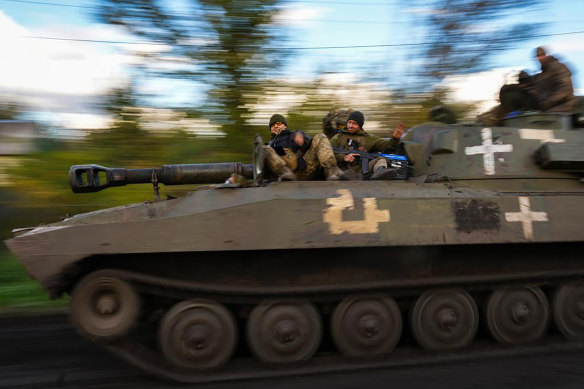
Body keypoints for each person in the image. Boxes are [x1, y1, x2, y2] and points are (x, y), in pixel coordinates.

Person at [264, 114, 346, 181]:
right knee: (265, 149)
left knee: (320, 137)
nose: (275, 126)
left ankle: (331, 170)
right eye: (272, 125)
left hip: (305, 169)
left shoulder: (293, 135)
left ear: (284, 126)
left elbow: (309, 142)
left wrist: (303, 139)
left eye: (278, 123)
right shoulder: (270, 145)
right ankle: (286, 173)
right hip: (285, 175)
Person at [330, 111, 404, 180]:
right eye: (349, 122)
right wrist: (344, 157)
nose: (350, 125)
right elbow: (328, 154)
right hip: (342, 170)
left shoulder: (368, 138)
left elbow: (387, 146)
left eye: (354, 123)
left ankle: (380, 172)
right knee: (345, 172)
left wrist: (395, 139)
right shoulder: (338, 137)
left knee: (380, 159)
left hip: (363, 171)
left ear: (360, 125)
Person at [531, 46, 579, 113]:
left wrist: (548, 103)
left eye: (541, 55)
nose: (539, 58)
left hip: (565, 107)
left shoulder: (559, 67)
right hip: (550, 109)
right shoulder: (541, 75)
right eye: (537, 57)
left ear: (546, 55)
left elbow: (565, 90)